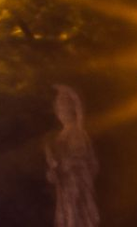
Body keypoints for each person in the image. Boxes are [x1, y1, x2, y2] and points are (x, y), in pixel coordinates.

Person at [45, 84, 99, 227]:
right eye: (59, 106)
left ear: (72, 109)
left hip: (77, 185)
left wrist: (62, 166)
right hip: (65, 187)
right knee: (68, 218)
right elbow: (57, 165)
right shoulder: (60, 136)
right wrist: (53, 171)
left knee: (76, 218)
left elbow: (81, 159)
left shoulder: (76, 131)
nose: (62, 110)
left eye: (65, 105)